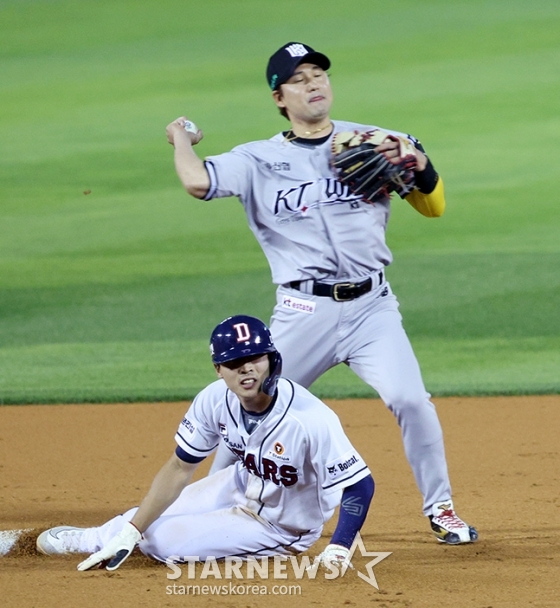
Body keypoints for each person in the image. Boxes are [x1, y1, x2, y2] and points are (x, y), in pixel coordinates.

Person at [164, 42, 477, 545]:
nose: (313, 84)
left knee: (410, 400)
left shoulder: (377, 142)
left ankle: (441, 509)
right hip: (302, 311)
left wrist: (420, 165)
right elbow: (198, 183)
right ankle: (199, 507)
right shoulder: (258, 159)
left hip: (372, 308)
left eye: (318, 74)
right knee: (249, 404)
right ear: (278, 97)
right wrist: (180, 137)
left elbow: (433, 206)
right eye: (298, 78)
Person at [36, 315, 375, 570]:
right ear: (218, 369)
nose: (246, 370)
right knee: (139, 520)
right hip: (238, 485)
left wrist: (340, 547)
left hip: (282, 525)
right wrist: (132, 529)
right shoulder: (214, 400)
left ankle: (268, 544)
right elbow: (180, 467)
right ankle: (87, 539)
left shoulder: (309, 420)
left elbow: (360, 484)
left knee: (160, 540)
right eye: (233, 363)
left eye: (255, 358)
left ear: (271, 359)